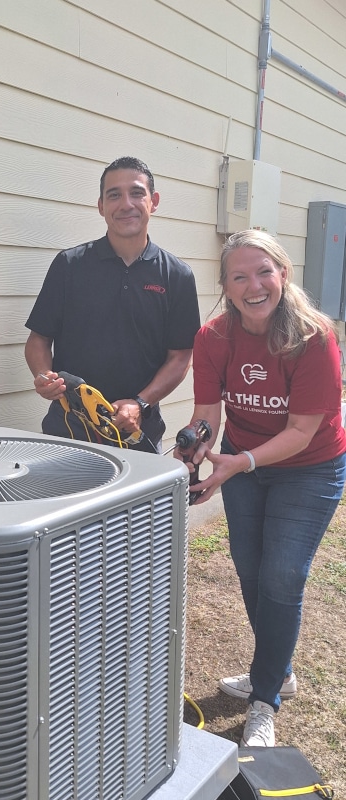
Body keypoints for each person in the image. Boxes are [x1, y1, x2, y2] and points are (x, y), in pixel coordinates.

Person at [185, 229, 346, 747]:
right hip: (243, 456)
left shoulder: (313, 335)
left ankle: (264, 697)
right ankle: (279, 670)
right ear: (227, 286)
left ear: (283, 274)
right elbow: (208, 413)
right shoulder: (212, 338)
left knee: (282, 575)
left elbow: (301, 431)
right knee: (251, 570)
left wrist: (237, 463)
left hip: (311, 466)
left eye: (263, 272)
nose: (253, 285)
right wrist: (196, 447)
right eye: (239, 276)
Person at [24, 156, 201, 452]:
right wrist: (44, 376)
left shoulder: (177, 275)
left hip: (138, 434)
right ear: (101, 206)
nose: (125, 204)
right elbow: (38, 340)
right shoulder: (69, 265)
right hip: (68, 431)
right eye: (114, 195)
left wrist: (140, 403)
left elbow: (180, 357)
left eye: (136, 193)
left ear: (153, 201)